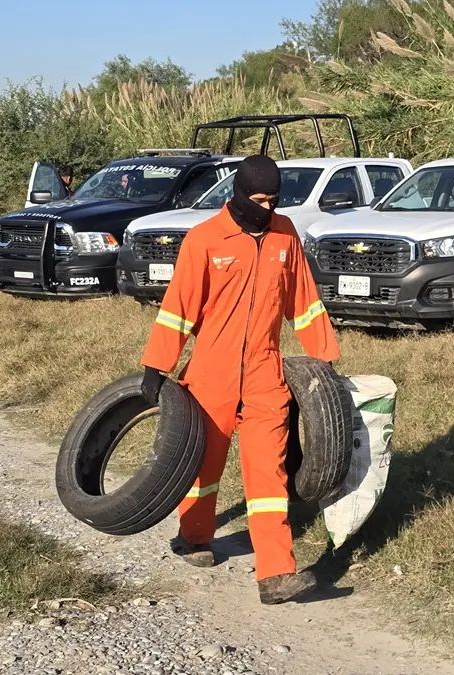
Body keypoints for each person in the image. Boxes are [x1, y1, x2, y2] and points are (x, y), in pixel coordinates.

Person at [139, 154, 340, 605]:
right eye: (259, 200)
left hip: (266, 374)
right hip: (211, 374)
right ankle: (194, 537)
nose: (267, 209)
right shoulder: (206, 239)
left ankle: (275, 574)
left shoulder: (285, 235)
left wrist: (324, 361)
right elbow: (179, 308)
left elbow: (304, 303)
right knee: (203, 465)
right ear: (238, 194)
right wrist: (157, 366)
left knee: (268, 472)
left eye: (274, 200)